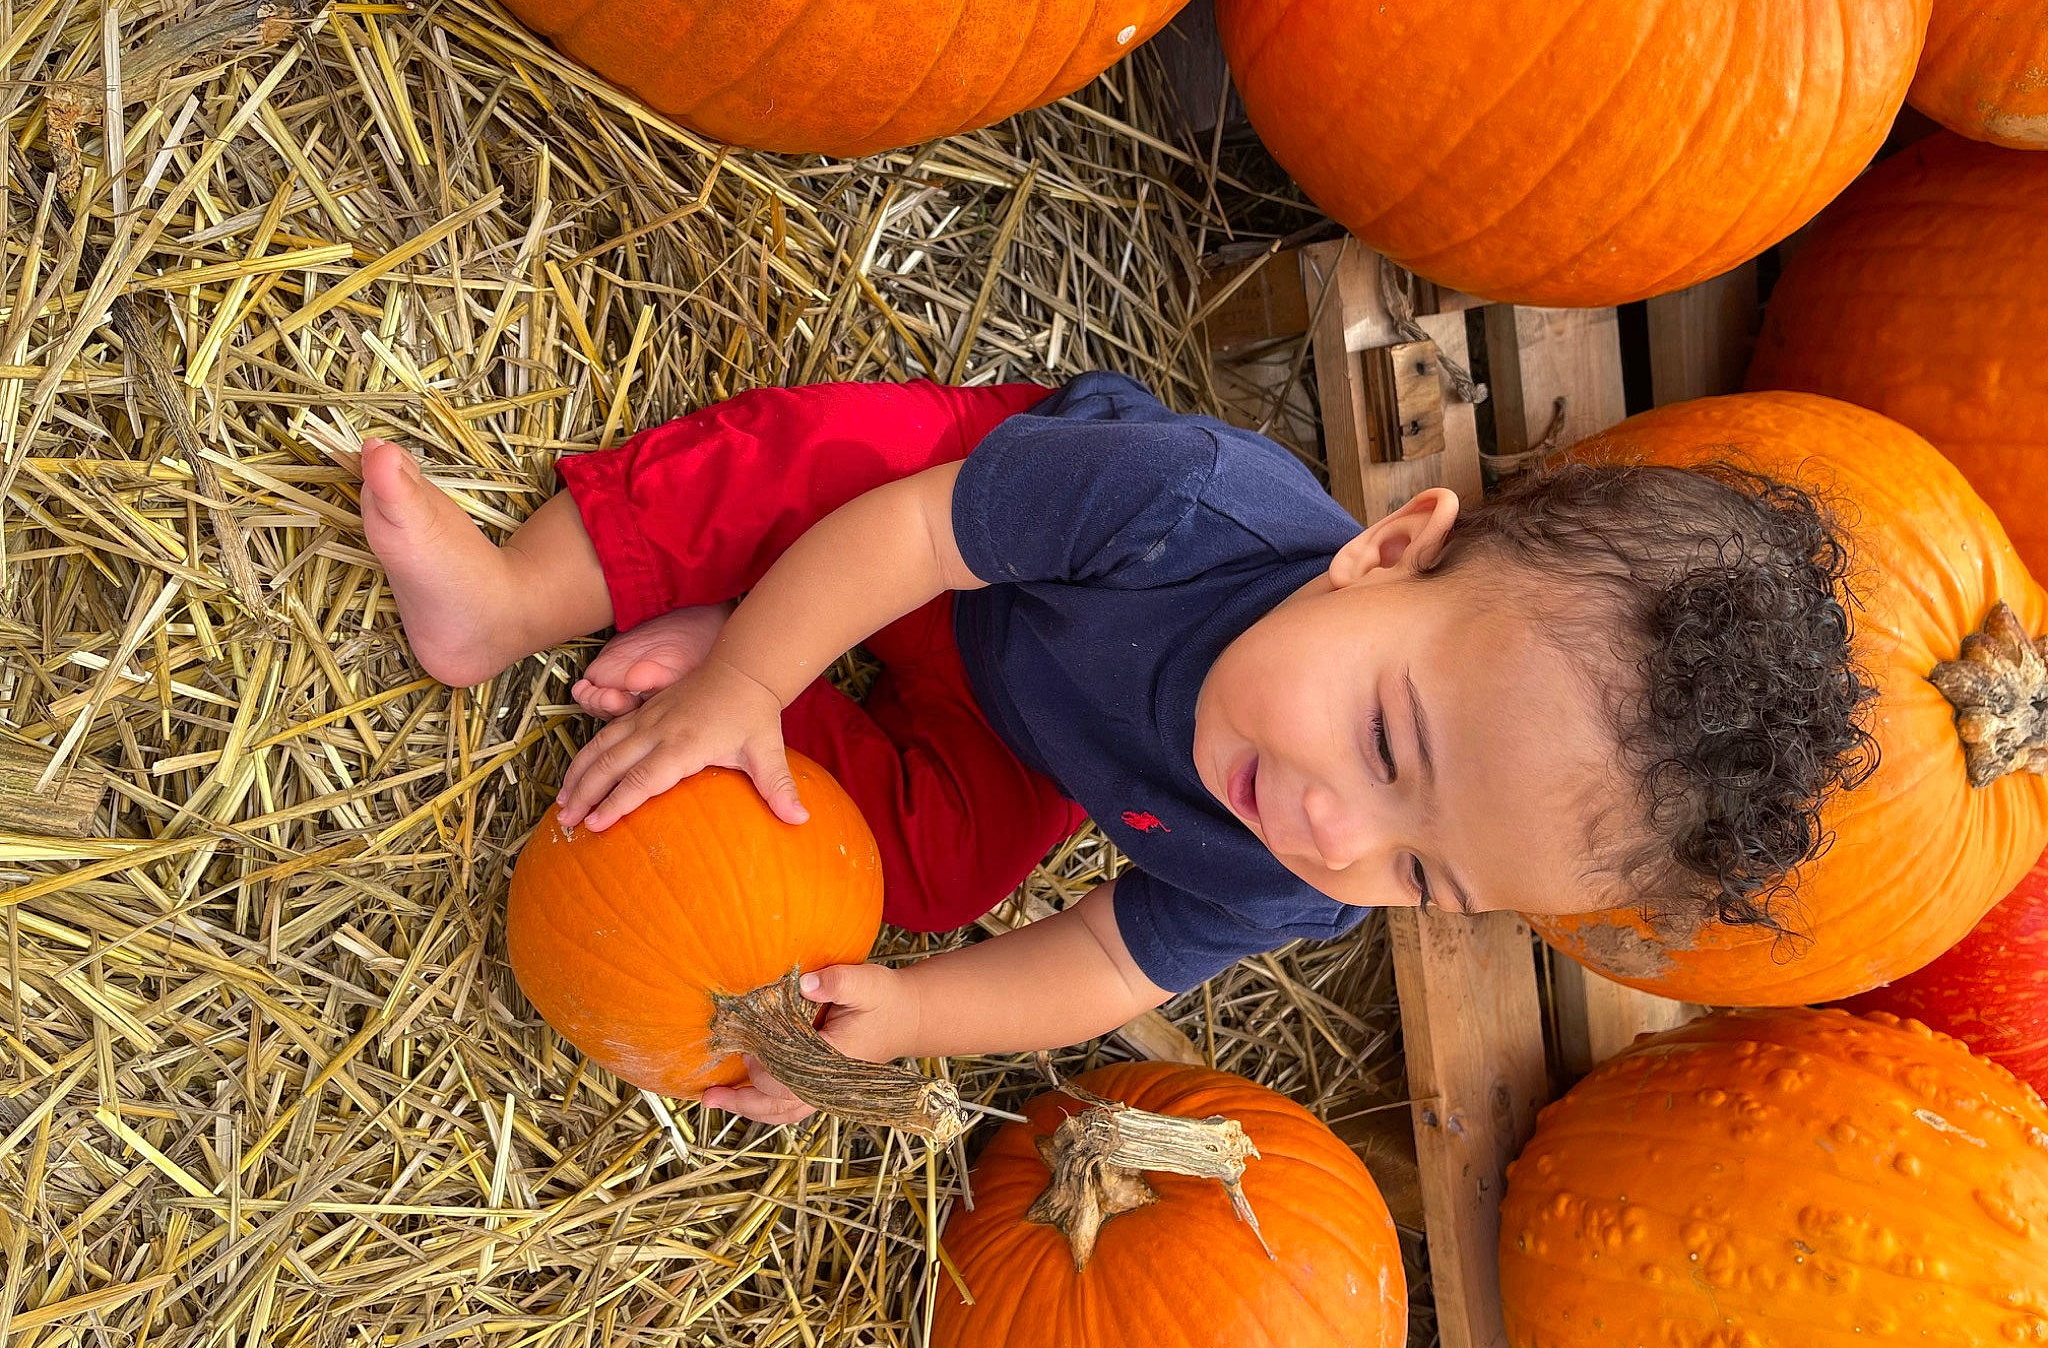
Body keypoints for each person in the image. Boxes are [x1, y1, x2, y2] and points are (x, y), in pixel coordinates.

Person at [356, 373, 1875, 1123]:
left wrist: (899, 1017)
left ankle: (758, 675)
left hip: (1023, 725)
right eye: (1384, 738)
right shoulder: (1179, 504)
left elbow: (1102, 961)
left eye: (1427, 874)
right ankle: (518, 600)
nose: (1338, 831)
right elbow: (921, 531)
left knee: (935, 879)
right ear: (1390, 554)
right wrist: (758, 664)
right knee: (809, 475)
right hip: (964, 544)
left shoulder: (1302, 875)